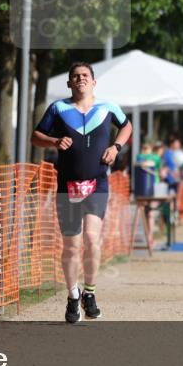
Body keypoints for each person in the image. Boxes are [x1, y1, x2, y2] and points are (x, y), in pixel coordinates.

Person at [32, 61, 132, 324]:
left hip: (97, 183)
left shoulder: (108, 107)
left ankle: (90, 292)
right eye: (75, 76)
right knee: (72, 246)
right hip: (67, 185)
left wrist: (116, 148)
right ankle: (72, 295)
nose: (80, 79)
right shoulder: (58, 108)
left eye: (85, 75)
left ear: (94, 82)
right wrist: (53, 140)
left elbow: (127, 126)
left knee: (91, 238)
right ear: (69, 83)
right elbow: (35, 136)